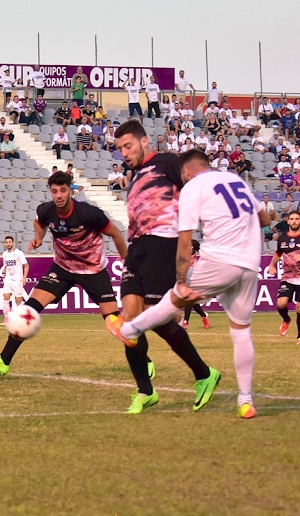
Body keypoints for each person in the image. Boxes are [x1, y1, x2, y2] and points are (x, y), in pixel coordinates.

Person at [107, 149, 267, 419]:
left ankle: (130, 329)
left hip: (219, 260)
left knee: (172, 298)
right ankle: (245, 400)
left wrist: (181, 280)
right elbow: (264, 219)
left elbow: (184, 239)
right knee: (241, 332)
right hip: (251, 263)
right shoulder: (236, 180)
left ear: (187, 171)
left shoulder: (194, 186)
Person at [106, 120, 221, 414]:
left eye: (128, 146)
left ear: (144, 142)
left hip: (164, 242)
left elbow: (197, 190)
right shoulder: (135, 176)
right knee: (129, 321)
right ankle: (146, 391)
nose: (124, 153)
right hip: (138, 249)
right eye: (120, 149)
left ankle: (203, 374)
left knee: (151, 318)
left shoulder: (168, 162)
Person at [0, 172, 130, 379]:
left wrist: (126, 262)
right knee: (28, 309)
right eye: (54, 191)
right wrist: (38, 238)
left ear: (70, 190)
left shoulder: (88, 213)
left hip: (92, 269)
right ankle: (3, 360)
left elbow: (116, 234)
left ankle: (143, 360)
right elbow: (39, 222)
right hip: (62, 268)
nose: (59, 195)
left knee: (113, 320)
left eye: (63, 190)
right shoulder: (46, 210)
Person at [269, 210, 300, 340]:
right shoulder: (282, 238)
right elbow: (278, 253)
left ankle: (299, 336)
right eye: (291, 219)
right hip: (288, 277)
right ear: (288, 221)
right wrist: (272, 265)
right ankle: (286, 320)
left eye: (297, 219)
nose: (294, 221)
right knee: (281, 304)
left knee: (299, 307)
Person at [180, 239, 210, 330]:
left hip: (194, 279)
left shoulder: (195, 256)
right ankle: (203, 316)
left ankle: (185, 322)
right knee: (192, 302)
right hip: (185, 278)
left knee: (188, 300)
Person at [0, 236, 29, 315]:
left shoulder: (18, 253)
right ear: (5, 244)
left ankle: (26, 314)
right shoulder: (4, 254)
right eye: (7, 242)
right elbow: (5, 266)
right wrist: (4, 271)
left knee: (18, 301)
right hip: (8, 279)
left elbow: (26, 266)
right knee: (6, 297)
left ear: (13, 243)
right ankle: (7, 319)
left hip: (18, 280)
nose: (8, 244)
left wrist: (24, 278)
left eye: (10, 242)